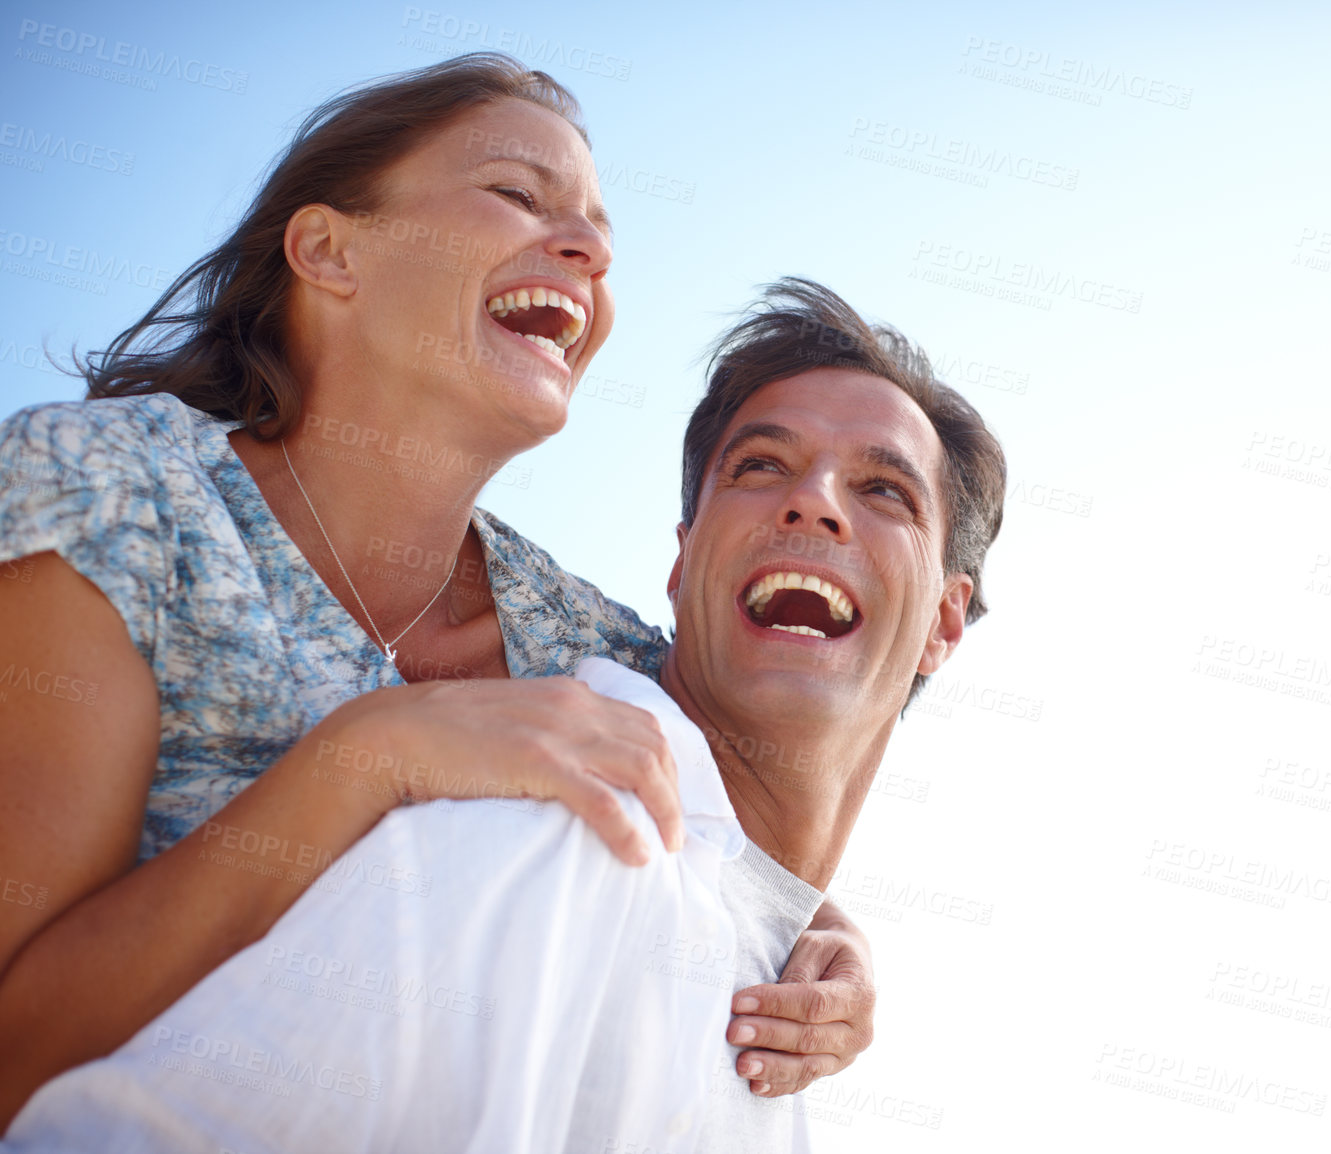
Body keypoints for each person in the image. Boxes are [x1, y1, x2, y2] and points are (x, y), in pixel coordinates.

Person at [0, 54, 871, 1126]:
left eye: (599, 231)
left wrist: (835, 940)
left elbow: (727, 832)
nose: (591, 252)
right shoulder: (115, 489)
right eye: (517, 193)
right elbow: (13, 1052)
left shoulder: (582, 639)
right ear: (329, 250)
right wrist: (375, 757)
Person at [0, 279, 1008, 1153]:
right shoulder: (563, 837)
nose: (816, 502)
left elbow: (755, 836)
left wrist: (810, 915)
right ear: (681, 560)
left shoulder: (755, 967)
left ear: (945, 621)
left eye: (883, 488)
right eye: (759, 465)